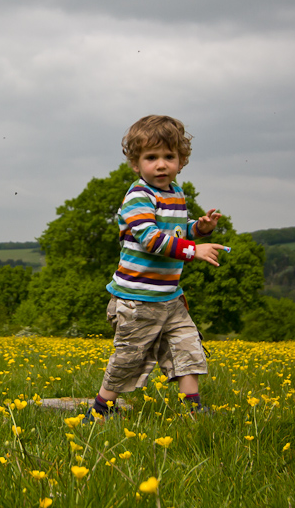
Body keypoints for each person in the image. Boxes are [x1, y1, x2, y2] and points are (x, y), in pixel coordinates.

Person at [85, 115, 228, 422]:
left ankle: (195, 411)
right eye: (151, 158)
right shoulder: (138, 196)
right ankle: (99, 410)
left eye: (169, 157)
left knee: (186, 348)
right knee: (129, 358)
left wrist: (198, 230)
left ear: (181, 160)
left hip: (170, 298)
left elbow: (173, 232)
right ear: (136, 164)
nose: (161, 164)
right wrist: (193, 250)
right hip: (137, 299)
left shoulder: (175, 193)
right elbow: (151, 239)